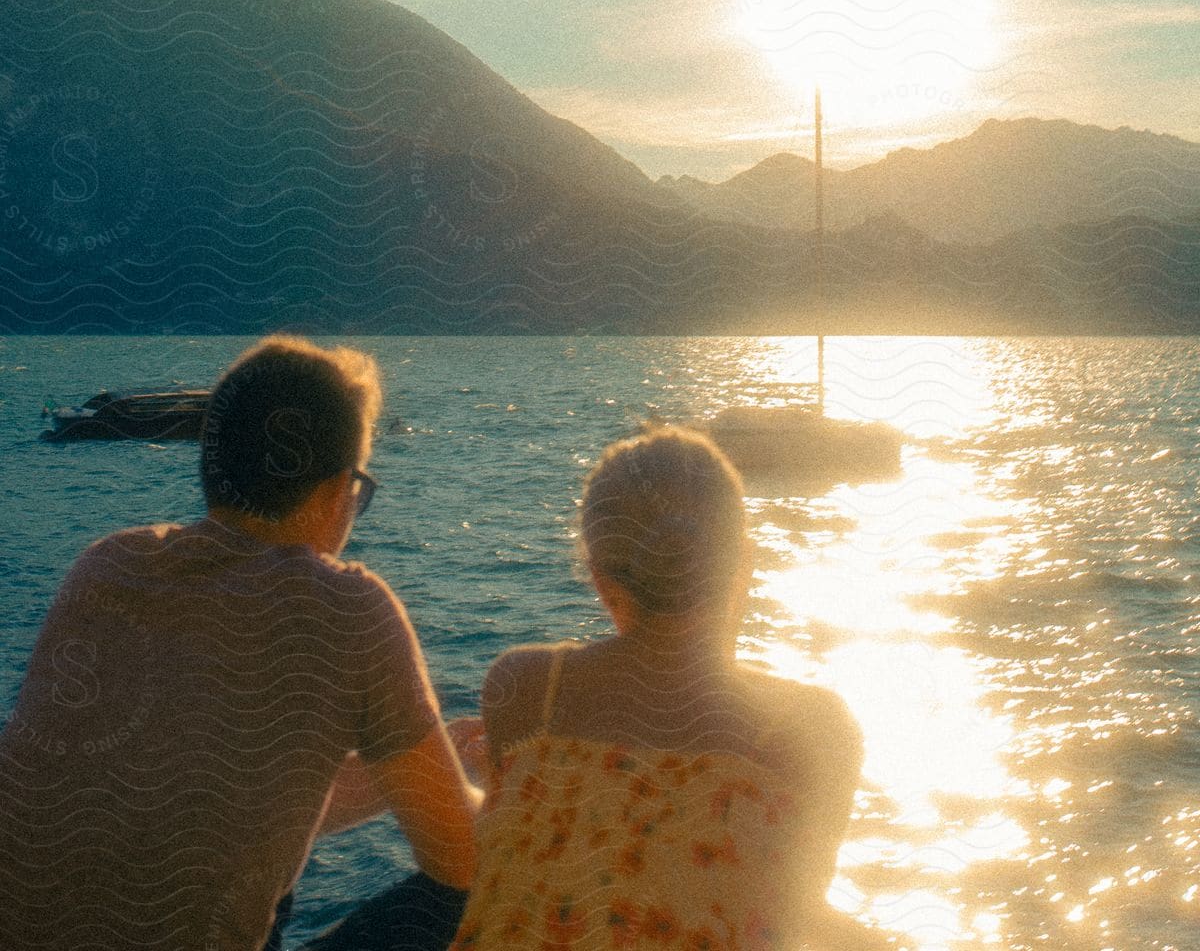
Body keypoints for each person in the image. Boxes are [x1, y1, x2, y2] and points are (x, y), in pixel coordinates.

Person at [0, 335, 481, 951]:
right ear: (341, 489)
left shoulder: (106, 566)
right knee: (485, 881)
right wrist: (507, 793)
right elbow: (461, 858)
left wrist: (433, 769)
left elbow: (204, 807)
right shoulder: (347, 606)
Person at [444, 423, 870, 951]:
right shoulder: (814, 728)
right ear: (744, 563)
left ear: (603, 583)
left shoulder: (526, 687)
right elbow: (790, 909)